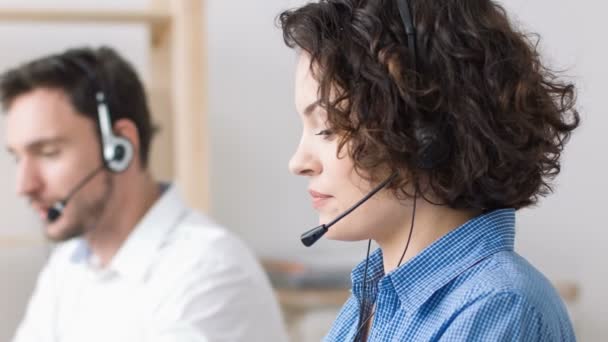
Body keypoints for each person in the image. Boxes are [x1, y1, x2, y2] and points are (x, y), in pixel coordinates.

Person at [280, 0, 579, 340]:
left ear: (426, 136)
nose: (298, 163)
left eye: (327, 127)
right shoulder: (370, 303)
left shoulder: (498, 306)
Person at [2, 46, 287, 342]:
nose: (23, 185)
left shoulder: (209, 271)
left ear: (120, 146)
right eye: (17, 158)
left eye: (48, 153)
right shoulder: (67, 265)